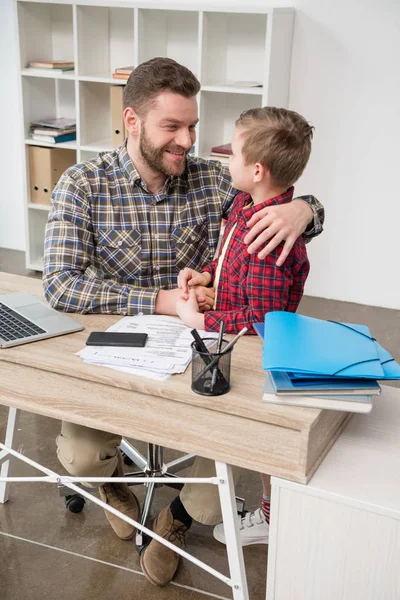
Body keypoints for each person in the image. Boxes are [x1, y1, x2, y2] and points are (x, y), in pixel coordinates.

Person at [43, 57, 324, 587]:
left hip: (199, 348)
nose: (187, 140)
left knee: (222, 467)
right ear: (132, 122)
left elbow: (274, 182)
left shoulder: (215, 182)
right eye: (172, 127)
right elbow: (60, 284)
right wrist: (159, 300)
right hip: (117, 349)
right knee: (81, 457)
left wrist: (306, 209)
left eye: (192, 125)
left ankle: (177, 519)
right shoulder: (82, 184)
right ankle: (112, 484)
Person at [176, 106, 313, 547]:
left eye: (232, 153)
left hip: (256, 349)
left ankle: (273, 518)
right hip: (234, 331)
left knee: (264, 443)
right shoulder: (243, 202)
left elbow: (262, 318)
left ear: (256, 169)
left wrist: (202, 319)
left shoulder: (270, 236)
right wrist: (207, 275)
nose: (224, 159)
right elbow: (226, 254)